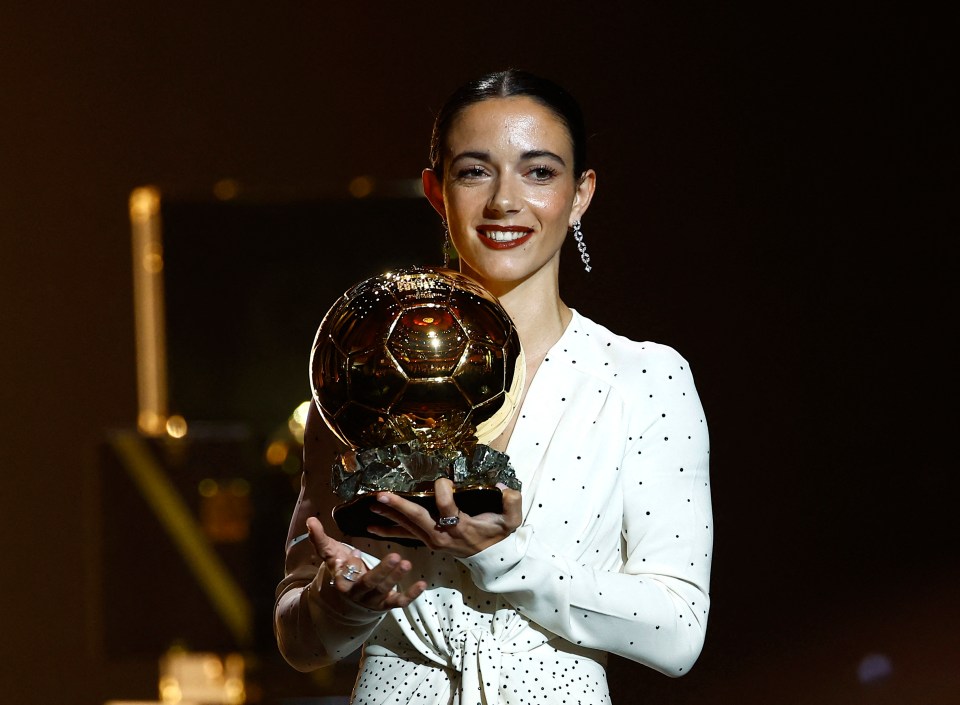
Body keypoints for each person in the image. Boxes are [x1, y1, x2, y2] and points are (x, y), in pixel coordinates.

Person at [274, 68, 713, 705]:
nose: (506, 201)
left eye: (539, 172)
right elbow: (299, 642)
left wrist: (508, 556)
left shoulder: (642, 379)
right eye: (475, 170)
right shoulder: (361, 375)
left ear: (581, 192)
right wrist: (338, 604)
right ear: (435, 189)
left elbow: (677, 634)